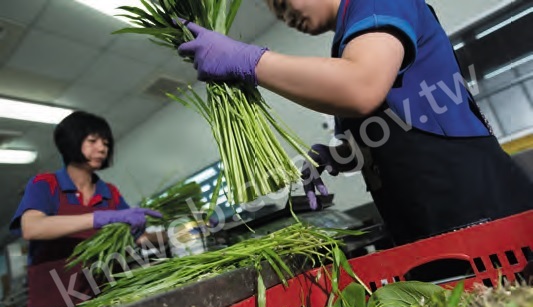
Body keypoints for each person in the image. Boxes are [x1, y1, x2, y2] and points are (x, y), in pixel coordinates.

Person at [176, 0, 533, 247]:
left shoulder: (376, 3)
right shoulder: (348, 41)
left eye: (285, 3)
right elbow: (389, 123)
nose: (285, 17)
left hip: (467, 195)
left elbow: (361, 86)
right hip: (419, 205)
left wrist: (248, 60)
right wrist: (338, 155)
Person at [10, 111, 162, 307]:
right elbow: (31, 227)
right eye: (93, 141)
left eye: (106, 144)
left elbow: (138, 239)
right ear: (71, 142)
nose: (102, 148)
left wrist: (178, 232)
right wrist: (98, 218)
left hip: (107, 302)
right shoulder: (46, 184)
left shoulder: (110, 192)